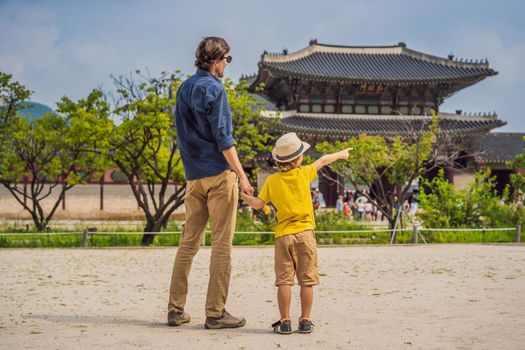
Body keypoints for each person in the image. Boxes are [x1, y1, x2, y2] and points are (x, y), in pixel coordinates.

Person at [167, 37, 253, 329]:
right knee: (221, 245)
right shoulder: (216, 89)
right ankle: (215, 313)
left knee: (188, 244)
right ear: (218, 59)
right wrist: (242, 175)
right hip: (218, 174)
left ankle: (175, 310)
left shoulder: (185, 88)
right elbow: (224, 139)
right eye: (228, 59)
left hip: (193, 177)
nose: (228, 64)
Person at [241, 132, 351, 334]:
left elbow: (258, 204)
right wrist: (342, 153)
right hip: (305, 234)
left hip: (283, 235)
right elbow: (323, 160)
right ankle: (305, 321)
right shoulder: (304, 173)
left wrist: (241, 194)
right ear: (299, 158)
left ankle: (285, 321)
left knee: (284, 280)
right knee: (306, 281)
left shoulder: (273, 181)